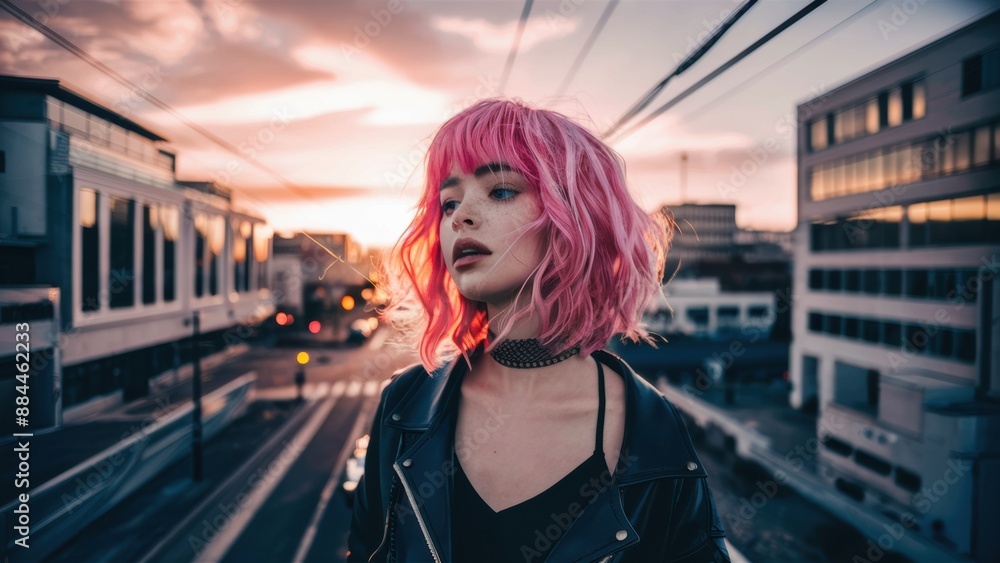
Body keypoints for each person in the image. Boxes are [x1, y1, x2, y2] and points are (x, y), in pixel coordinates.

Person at [347, 99, 731, 563]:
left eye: (502, 191)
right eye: (449, 201)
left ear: (576, 216)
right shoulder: (403, 407)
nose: (460, 215)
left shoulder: (653, 430)